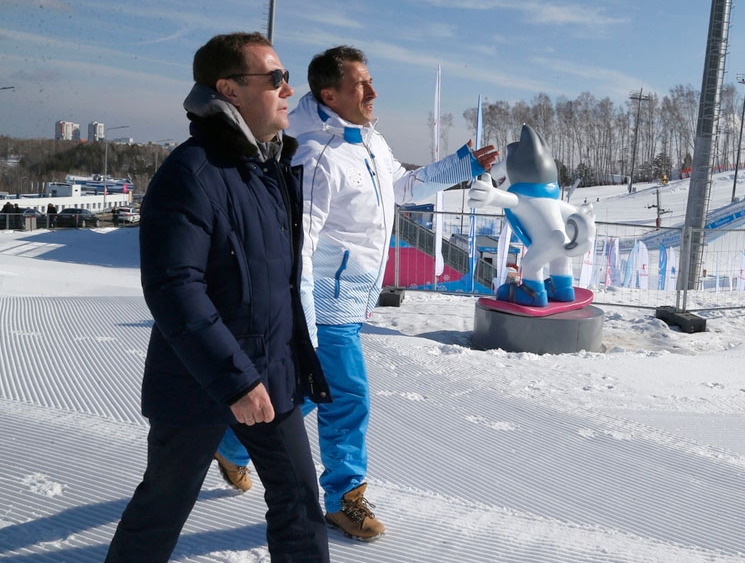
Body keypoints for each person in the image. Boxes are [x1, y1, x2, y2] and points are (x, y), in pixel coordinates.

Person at [216, 45, 498, 541]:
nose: (373, 92)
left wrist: (461, 167)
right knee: (348, 395)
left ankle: (233, 444)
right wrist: (304, 325)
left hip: (351, 296)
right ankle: (345, 498)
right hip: (325, 300)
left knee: (311, 393)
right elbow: (298, 247)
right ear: (330, 95)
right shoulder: (316, 156)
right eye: (361, 84)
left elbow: (402, 188)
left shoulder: (367, 139)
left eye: (370, 81)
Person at [104, 32, 331, 563]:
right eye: (275, 78)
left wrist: (293, 361)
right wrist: (235, 380)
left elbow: (277, 285)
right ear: (229, 89)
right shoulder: (191, 174)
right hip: (200, 379)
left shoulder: (270, 169)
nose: (288, 89)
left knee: (300, 502)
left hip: (272, 375)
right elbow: (174, 288)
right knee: (163, 505)